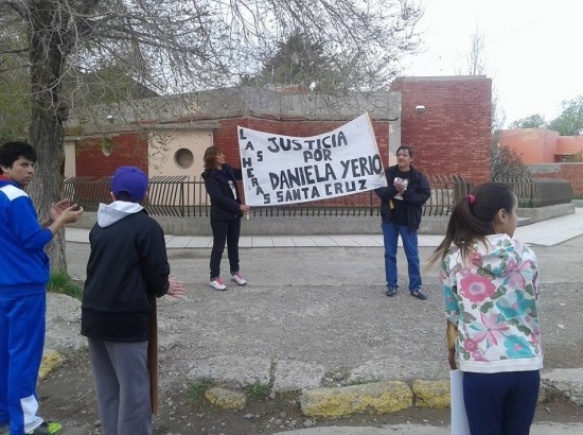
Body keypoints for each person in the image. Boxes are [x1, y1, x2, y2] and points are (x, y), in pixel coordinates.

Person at [427, 182, 542, 435]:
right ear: (502, 216)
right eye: (516, 212)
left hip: (481, 368)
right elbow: (533, 303)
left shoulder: (454, 261)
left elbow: (453, 316)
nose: (516, 218)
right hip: (526, 365)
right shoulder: (528, 255)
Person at [81, 166, 185, 435]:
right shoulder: (147, 227)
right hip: (126, 319)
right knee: (135, 390)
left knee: (108, 387)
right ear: (146, 195)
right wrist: (165, 285)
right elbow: (155, 272)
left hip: (94, 315)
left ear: (112, 194)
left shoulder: (99, 226)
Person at [0, 140, 84, 435]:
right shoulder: (16, 197)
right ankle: (27, 424)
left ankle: (5, 414)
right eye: (23, 164)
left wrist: (49, 218)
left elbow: (20, 234)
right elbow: (34, 241)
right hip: (24, 288)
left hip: (3, 287)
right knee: (24, 355)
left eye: (32, 165)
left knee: (5, 354)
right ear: (5, 166)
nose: (31, 170)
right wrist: (61, 220)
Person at [374, 145, 431, 300]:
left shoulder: (418, 177)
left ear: (410, 158)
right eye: (399, 154)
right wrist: (394, 189)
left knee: (412, 255)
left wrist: (404, 192)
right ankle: (391, 285)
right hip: (390, 221)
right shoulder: (388, 173)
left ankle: (415, 287)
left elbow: (422, 197)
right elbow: (380, 191)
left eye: (405, 155)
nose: (401, 157)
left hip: (408, 222)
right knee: (390, 254)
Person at [202, 146, 250, 291]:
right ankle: (214, 277)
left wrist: (247, 158)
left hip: (234, 215)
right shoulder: (209, 176)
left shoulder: (227, 169)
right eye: (220, 154)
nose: (223, 155)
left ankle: (235, 272)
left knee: (233, 244)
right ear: (213, 157)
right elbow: (218, 198)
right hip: (220, 217)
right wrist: (238, 206)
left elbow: (242, 174)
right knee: (219, 246)